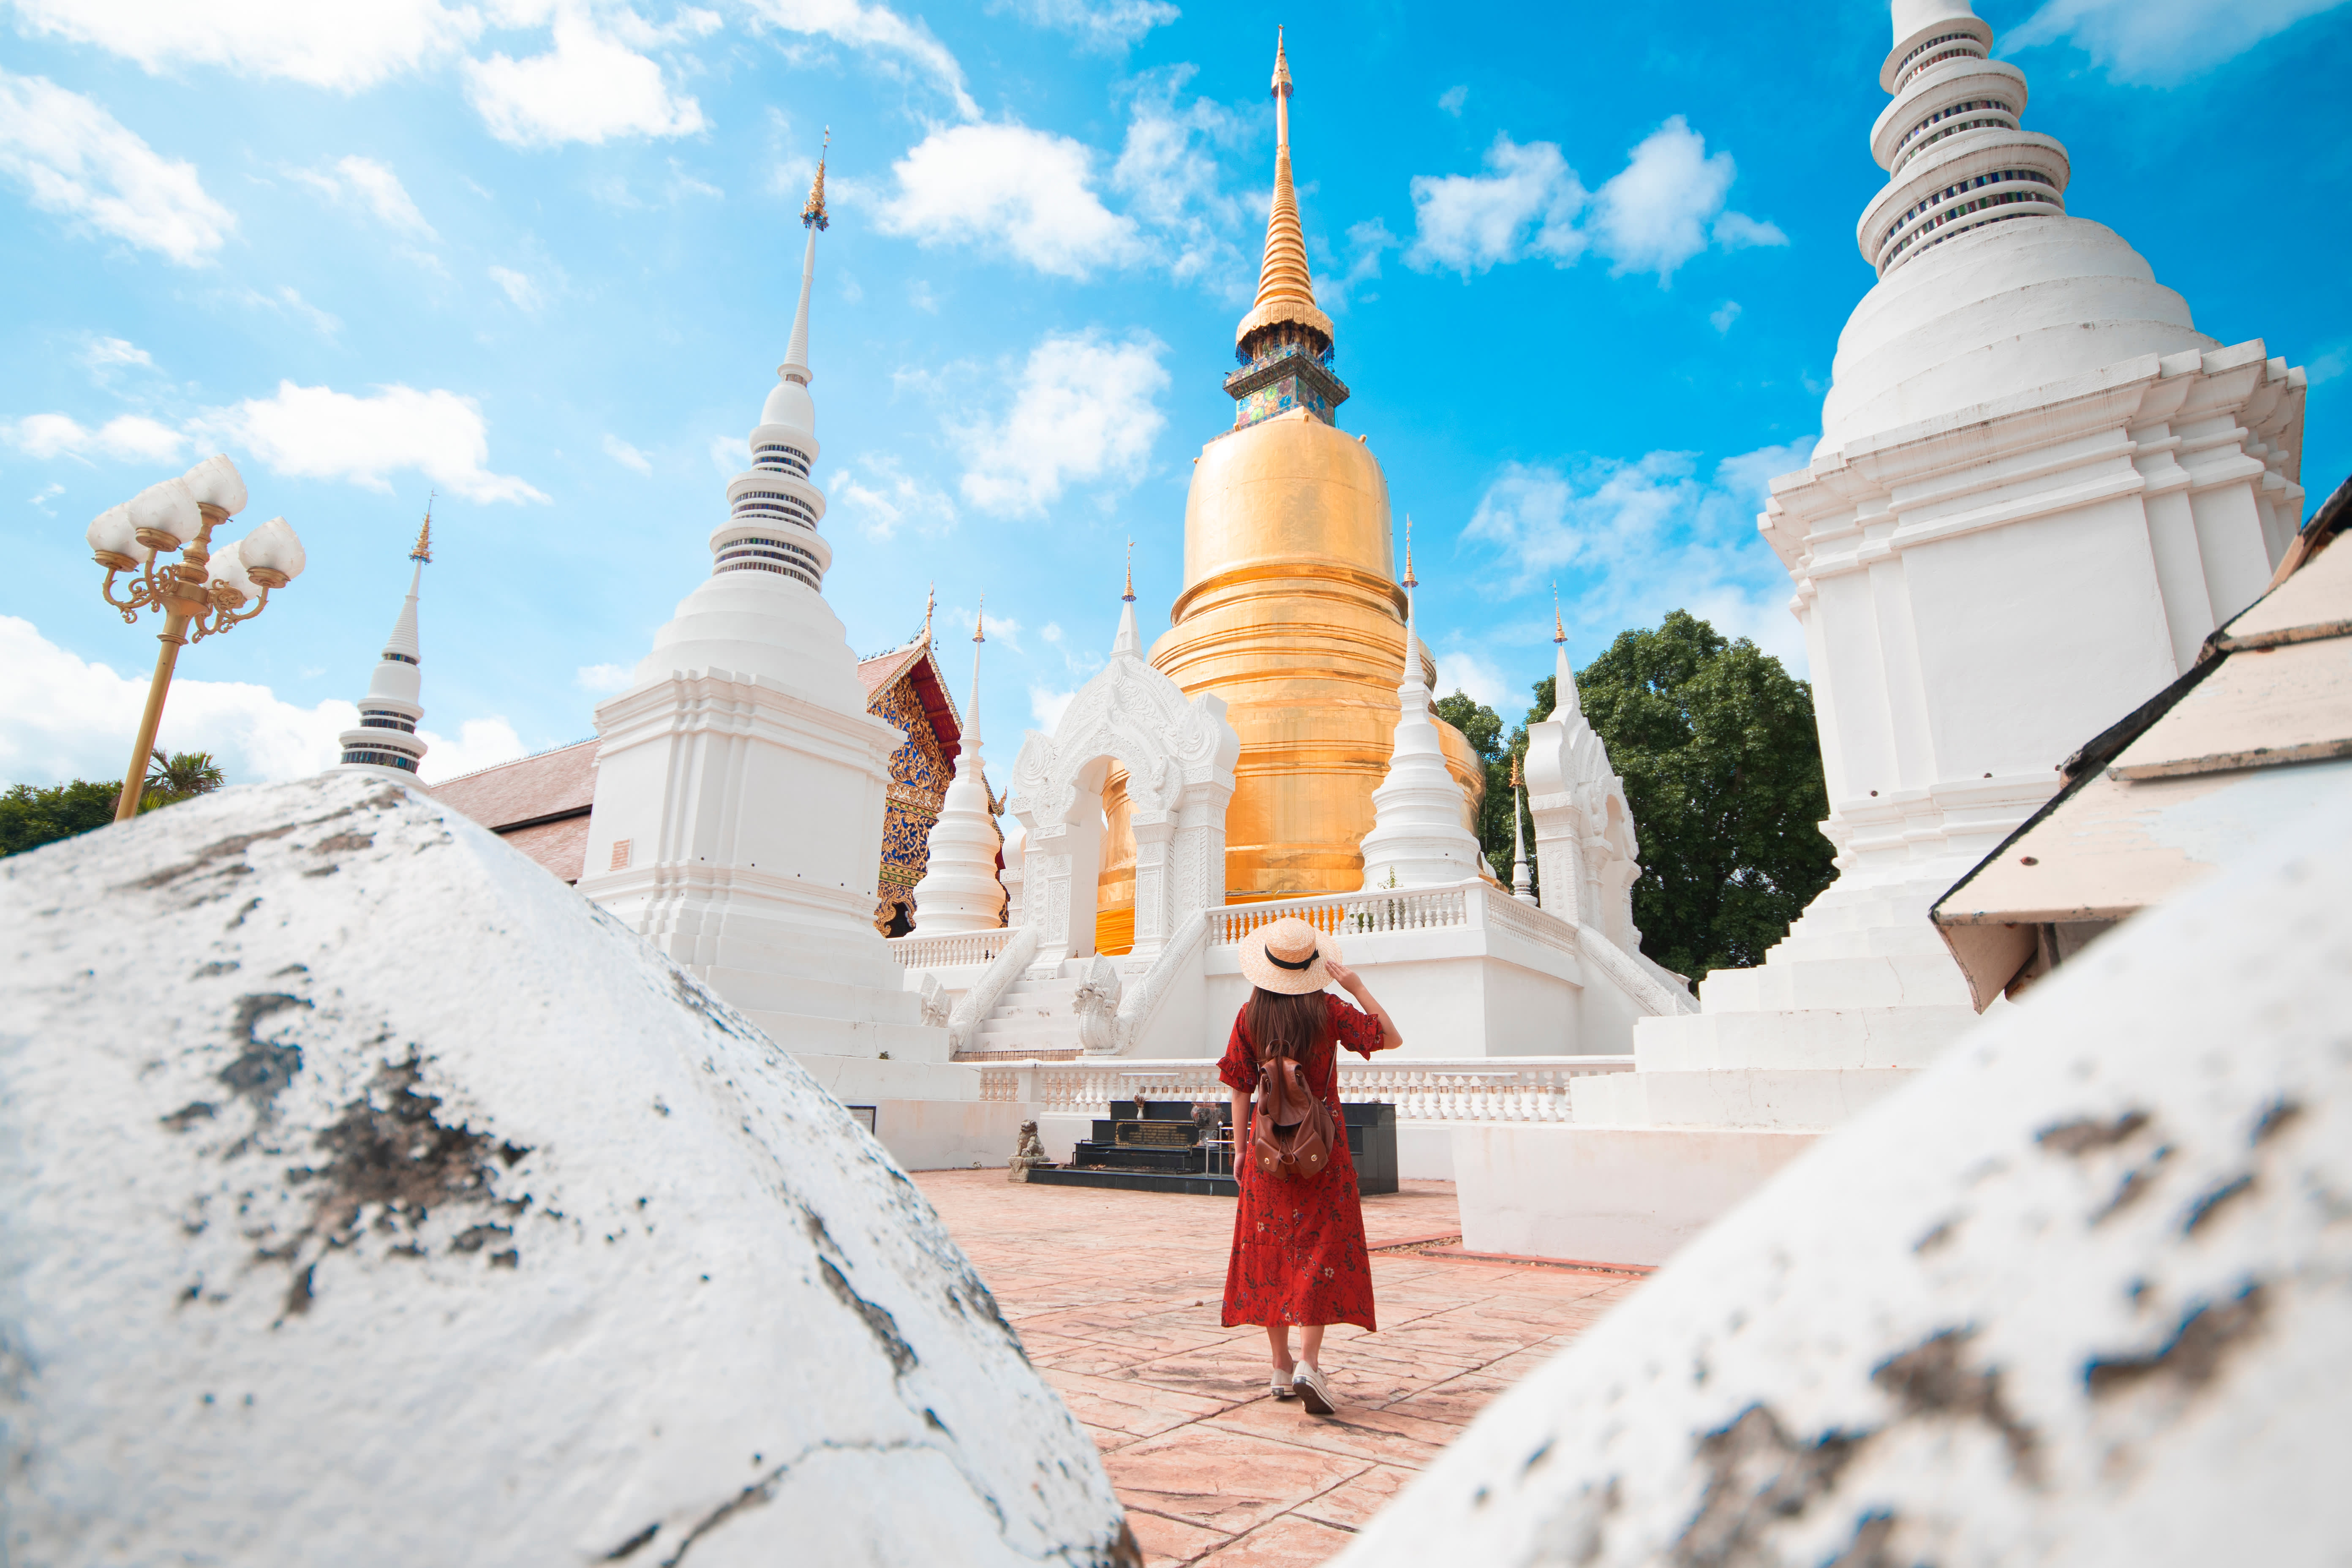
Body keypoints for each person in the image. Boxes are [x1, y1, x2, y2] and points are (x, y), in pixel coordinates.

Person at [1218, 915, 1403, 1416]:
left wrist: (1238, 1151)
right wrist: (1358, 986)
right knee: (1319, 1249)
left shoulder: (1249, 1015)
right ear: (1311, 965)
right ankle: (1308, 1362)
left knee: (1268, 1251)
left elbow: (1238, 1088)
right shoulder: (1327, 1010)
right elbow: (1389, 1037)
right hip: (1322, 1148)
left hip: (1266, 1152)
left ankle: (1279, 1367)